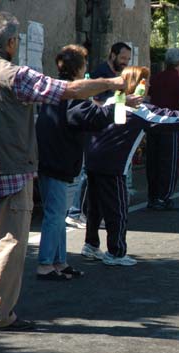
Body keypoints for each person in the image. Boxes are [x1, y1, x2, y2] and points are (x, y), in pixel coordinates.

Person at [0, 11, 125, 331]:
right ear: (11, 42)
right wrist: (114, 83)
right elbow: (66, 91)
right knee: (7, 243)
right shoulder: (15, 75)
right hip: (11, 170)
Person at [82, 66, 179, 266]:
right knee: (117, 209)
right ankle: (115, 253)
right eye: (146, 81)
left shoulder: (110, 101)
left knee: (96, 207)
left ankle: (90, 245)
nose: (150, 85)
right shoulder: (140, 110)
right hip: (113, 167)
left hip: (92, 161)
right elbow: (170, 119)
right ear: (138, 84)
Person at [35, 45, 138, 281]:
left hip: (54, 160)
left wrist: (116, 104)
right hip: (58, 162)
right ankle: (45, 264)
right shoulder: (72, 96)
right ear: (79, 68)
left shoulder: (57, 90)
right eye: (84, 64)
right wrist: (121, 103)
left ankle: (59, 262)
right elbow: (94, 117)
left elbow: (91, 111)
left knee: (58, 215)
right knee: (54, 215)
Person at [145, 47, 179, 210]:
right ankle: (164, 197)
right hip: (170, 125)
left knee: (153, 161)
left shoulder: (156, 78)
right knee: (169, 163)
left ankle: (153, 196)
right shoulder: (178, 80)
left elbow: (148, 99)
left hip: (152, 124)